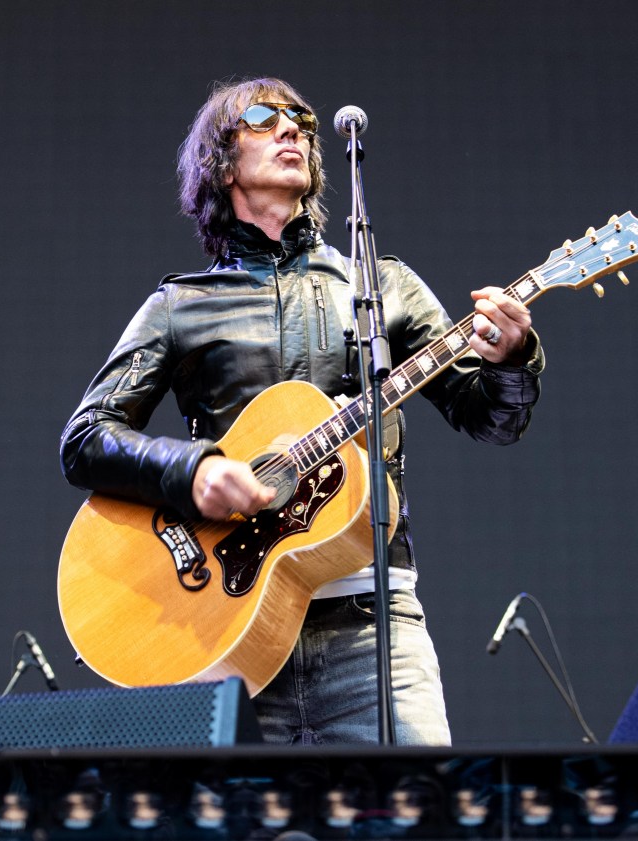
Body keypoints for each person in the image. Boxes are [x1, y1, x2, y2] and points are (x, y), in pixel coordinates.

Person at [60, 77, 544, 745]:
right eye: (265, 117)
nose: (293, 129)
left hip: (373, 627)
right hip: (221, 634)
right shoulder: (180, 307)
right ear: (221, 161)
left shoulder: (380, 286)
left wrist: (510, 357)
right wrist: (194, 471)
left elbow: (492, 417)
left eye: (303, 120)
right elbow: (86, 439)